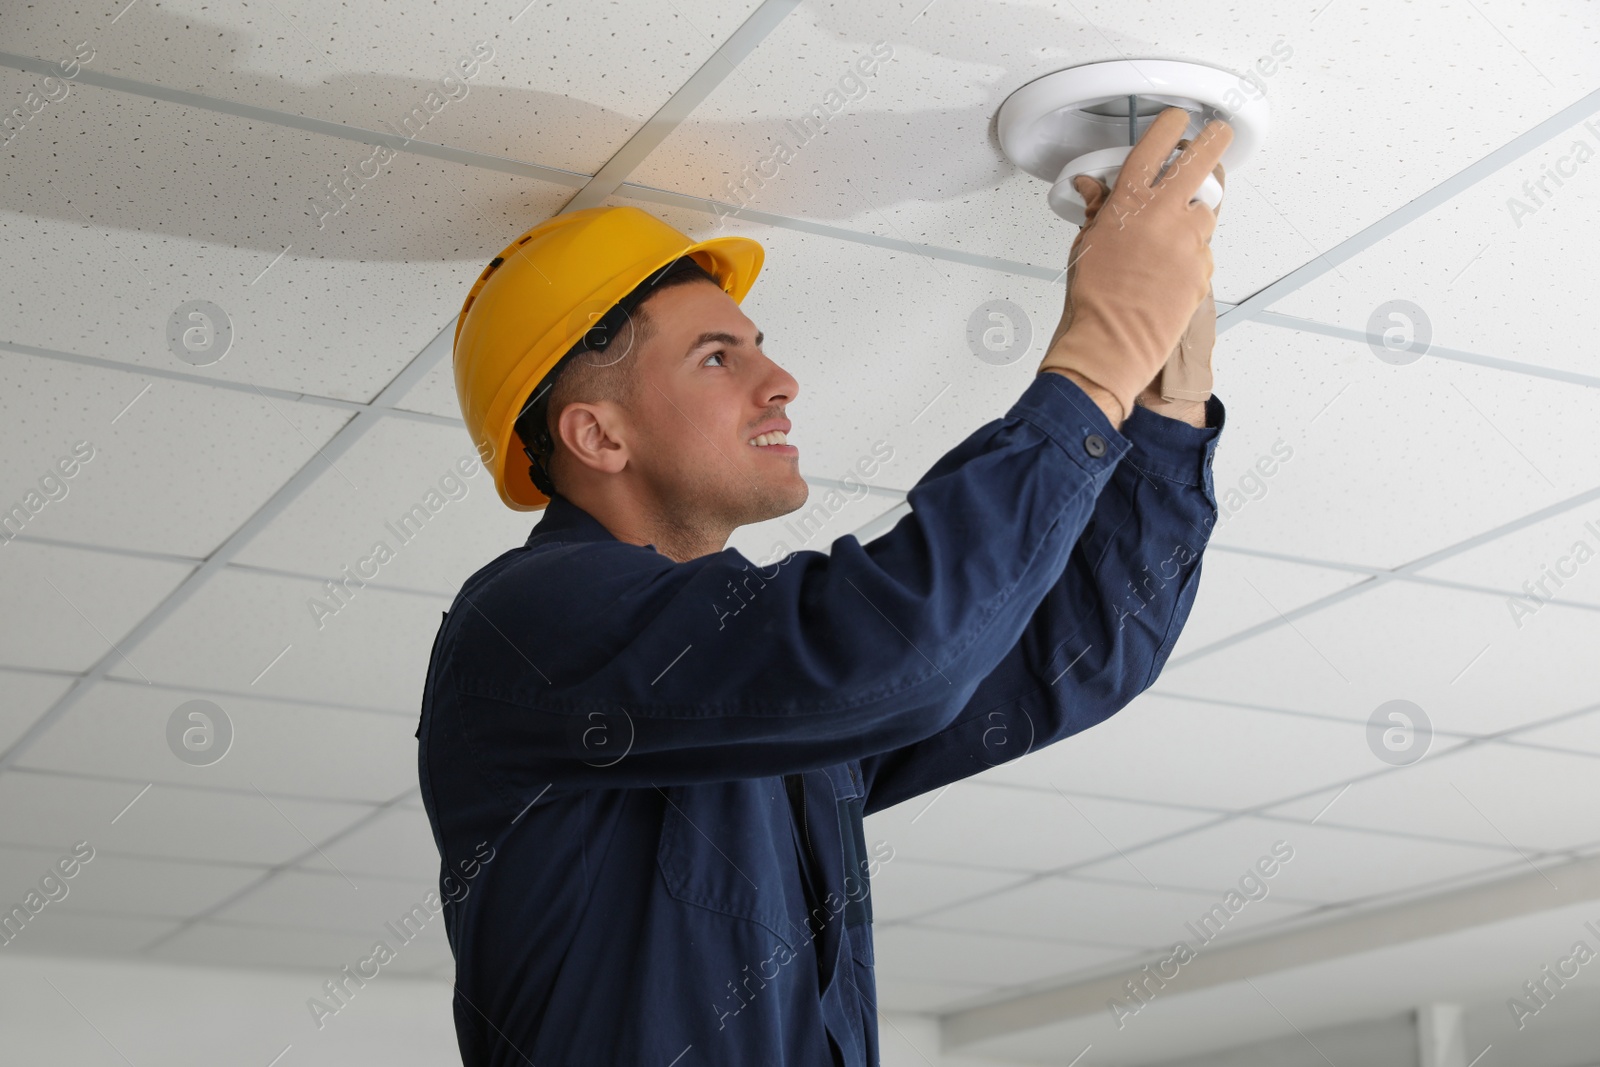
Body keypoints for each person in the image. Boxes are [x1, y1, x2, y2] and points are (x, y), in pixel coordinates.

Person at [417, 107, 1232, 1066]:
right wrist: (1095, 358)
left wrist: (1164, 402)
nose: (783, 380)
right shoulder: (527, 626)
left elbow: (1084, 652)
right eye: (718, 357)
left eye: (756, 345)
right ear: (597, 436)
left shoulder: (757, 702)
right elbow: (901, 650)